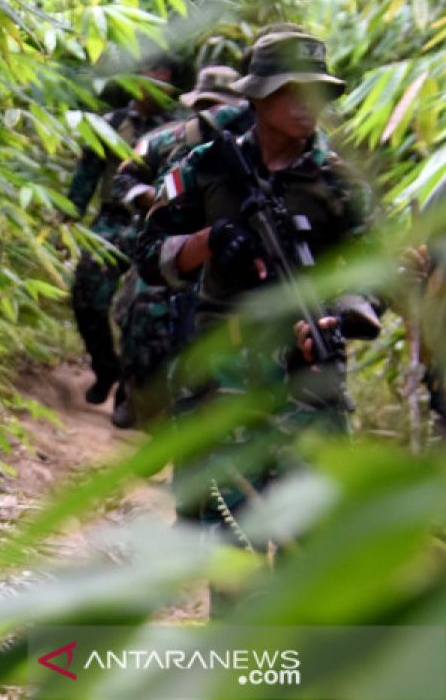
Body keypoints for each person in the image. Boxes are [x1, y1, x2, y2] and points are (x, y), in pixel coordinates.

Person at [135, 30, 380, 601]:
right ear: (259, 98)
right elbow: (150, 256)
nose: (305, 104)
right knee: (232, 554)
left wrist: (337, 320)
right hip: (225, 386)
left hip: (307, 388)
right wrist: (208, 241)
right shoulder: (204, 166)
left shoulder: (339, 184)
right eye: (290, 90)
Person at [109, 65, 253, 428]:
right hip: (168, 244)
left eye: (221, 104)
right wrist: (149, 203)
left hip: (225, 257)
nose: (212, 112)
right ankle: (135, 395)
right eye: (206, 104)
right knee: (140, 320)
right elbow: (125, 176)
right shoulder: (167, 139)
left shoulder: (251, 149)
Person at [67, 56, 184, 409]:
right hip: (112, 221)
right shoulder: (112, 124)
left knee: (144, 311)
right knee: (86, 295)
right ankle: (106, 369)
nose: (152, 90)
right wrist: (67, 220)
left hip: (158, 224)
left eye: (161, 84)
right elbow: (86, 177)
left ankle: (131, 391)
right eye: (147, 80)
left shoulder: (179, 129)